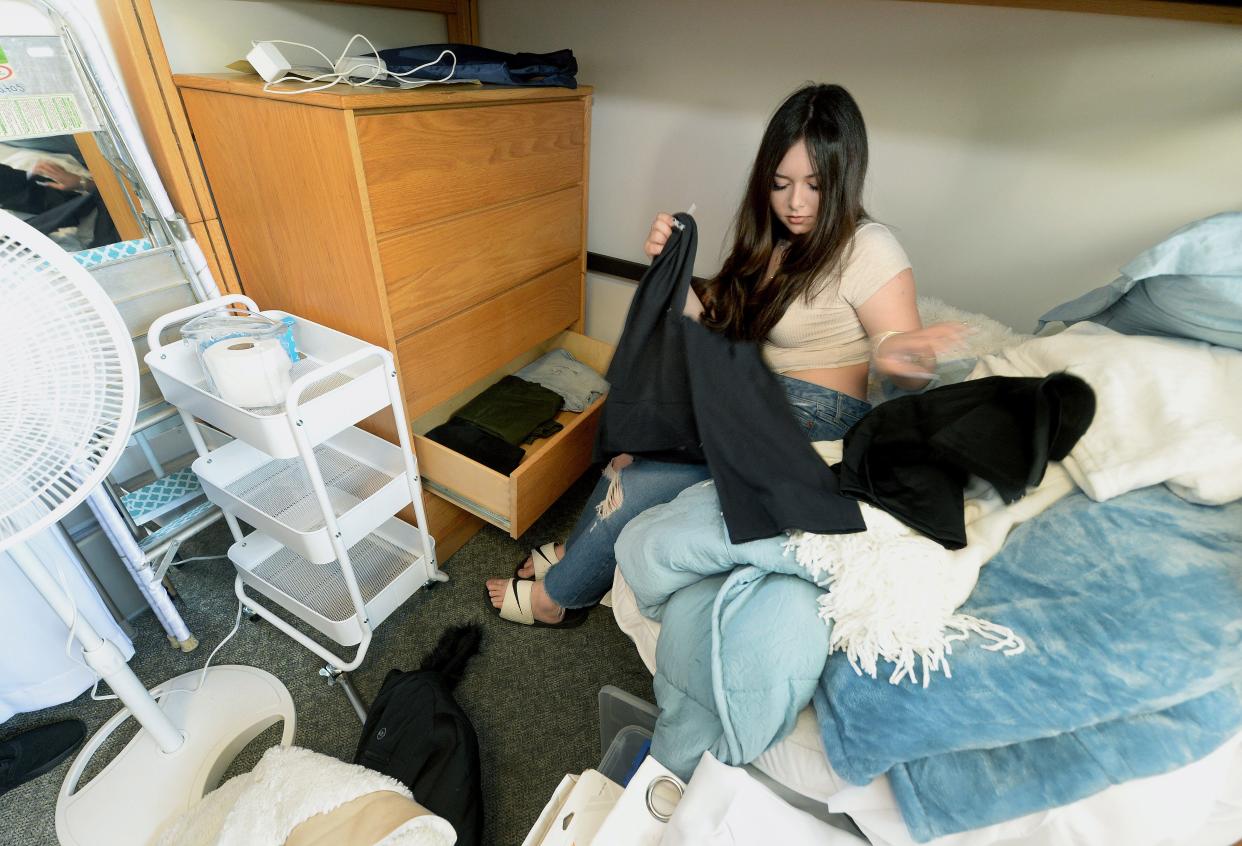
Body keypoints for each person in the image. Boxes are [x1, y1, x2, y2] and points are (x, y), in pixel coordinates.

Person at [487, 83, 964, 625]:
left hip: (816, 418)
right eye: (781, 184)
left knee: (644, 476)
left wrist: (906, 358)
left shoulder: (869, 246)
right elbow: (717, 328)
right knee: (630, 450)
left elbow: (901, 357)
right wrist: (670, 267)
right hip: (758, 400)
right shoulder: (774, 243)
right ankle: (579, 559)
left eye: (815, 184)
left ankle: (557, 599)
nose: (796, 202)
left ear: (845, 176)